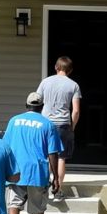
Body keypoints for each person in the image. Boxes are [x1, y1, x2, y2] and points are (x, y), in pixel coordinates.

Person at [2, 92, 64, 214]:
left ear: (26, 105)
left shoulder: (14, 121)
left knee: (14, 203)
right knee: (38, 206)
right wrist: (56, 178)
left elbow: (5, 147)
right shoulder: (47, 124)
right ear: (42, 107)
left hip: (16, 171)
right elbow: (53, 152)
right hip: (37, 172)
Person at [36, 56, 81, 201]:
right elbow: (76, 111)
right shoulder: (73, 85)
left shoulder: (45, 82)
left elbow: (37, 101)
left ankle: (44, 188)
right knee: (61, 158)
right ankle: (57, 190)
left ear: (56, 67)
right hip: (63, 124)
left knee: (46, 156)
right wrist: (71, 126)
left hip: (45, 124)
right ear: (70, 70)